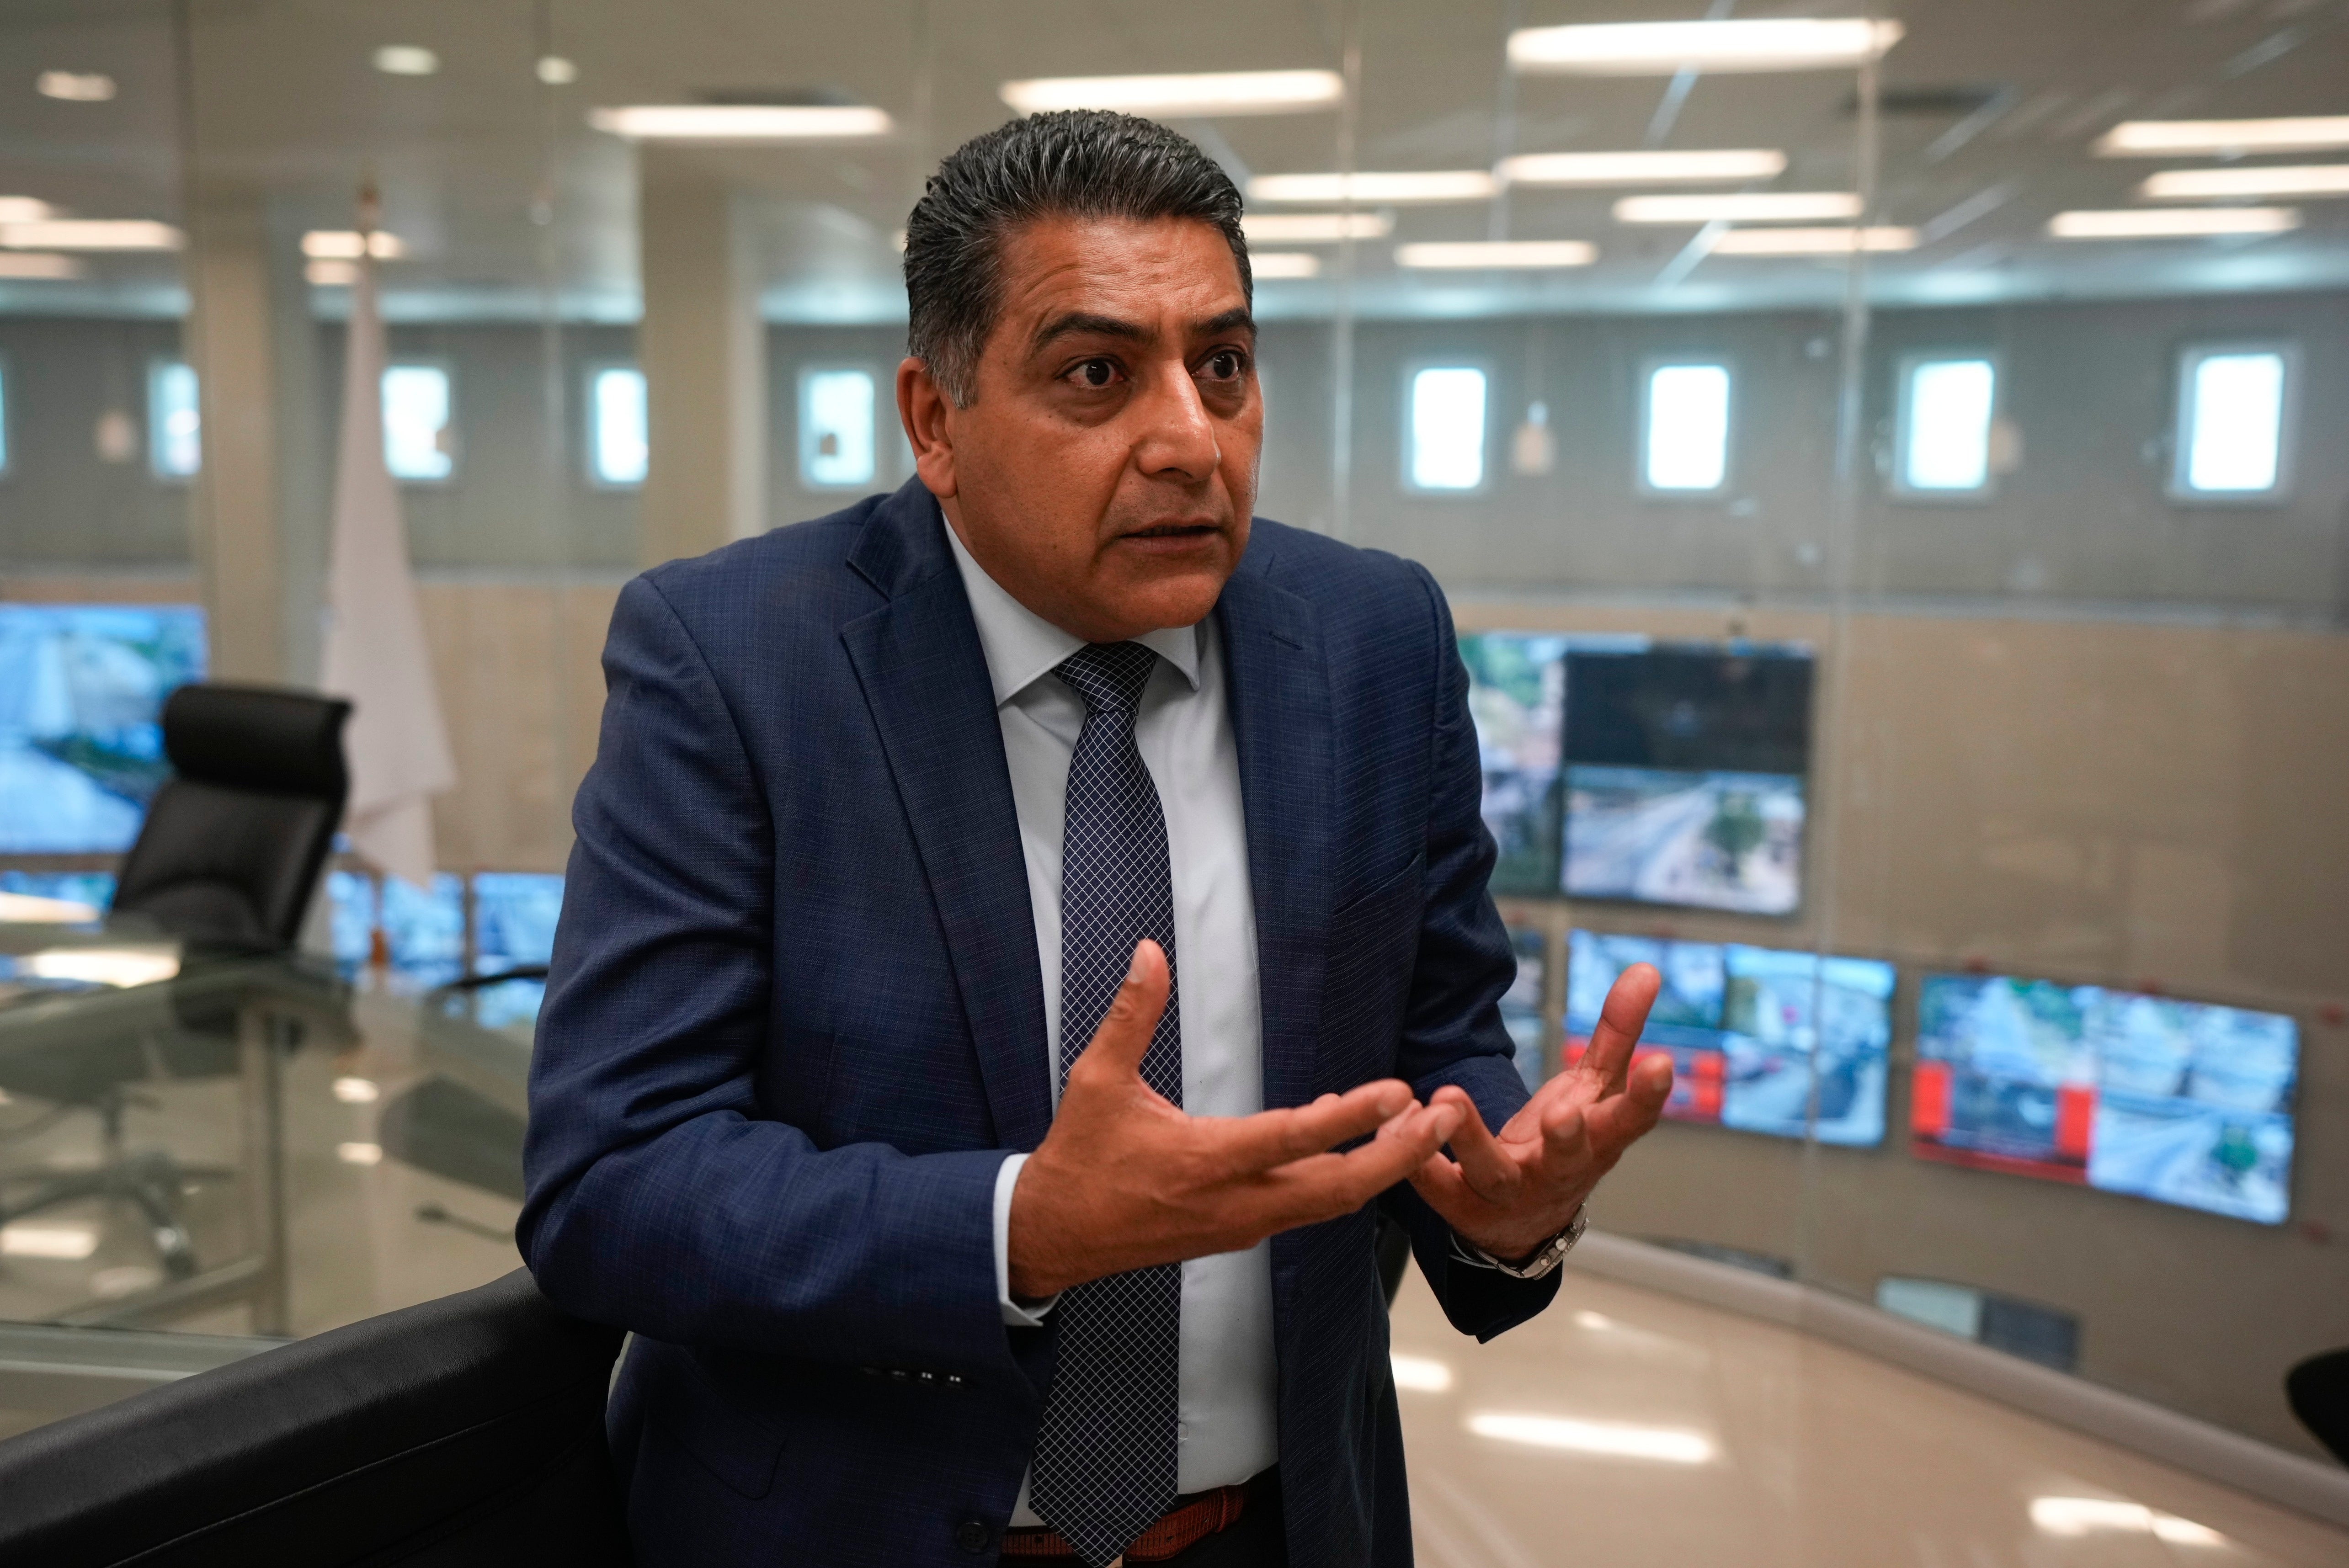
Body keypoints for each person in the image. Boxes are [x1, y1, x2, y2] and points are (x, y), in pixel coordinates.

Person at [520, 109, 1673, 1568]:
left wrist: (1506, 1195)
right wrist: (1019, 1228)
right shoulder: (738, 662)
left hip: (1283, 1528)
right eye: (1096, 375)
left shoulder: (1373, 641)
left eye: (1224, 367)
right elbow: (610, 1183)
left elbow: (1438, 1037)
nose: (1189, 441)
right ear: (936, 422)